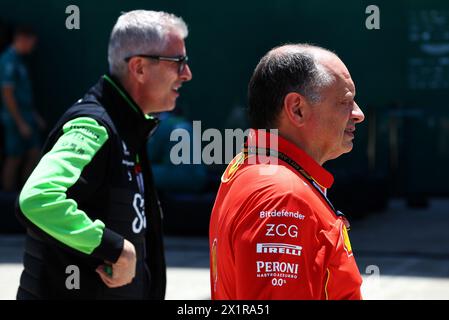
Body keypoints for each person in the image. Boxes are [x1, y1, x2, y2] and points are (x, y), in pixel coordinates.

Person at [15, 10, 192, 299]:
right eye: (178, 62)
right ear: (139, 68)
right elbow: (38, 198)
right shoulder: (93, 126)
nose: (187, 73)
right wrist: (115, 248)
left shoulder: (130, 126)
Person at [209, 44, 365, 300]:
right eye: (345, 102)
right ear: (297, 109)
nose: (358, 114)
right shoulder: (282, 195)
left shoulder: (255, 168)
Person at [0, 25, 44, 191]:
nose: (32, 47)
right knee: (14, 158)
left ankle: (25, 194)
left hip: (27, 116)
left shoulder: (20, 61)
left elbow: (22, 93)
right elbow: (8, 94)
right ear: (21, 39)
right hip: (15, 119)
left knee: (34, 154)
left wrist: (33, 116)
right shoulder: (8, 61)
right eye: (31, 42)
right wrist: (20, 122)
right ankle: (7, 197)